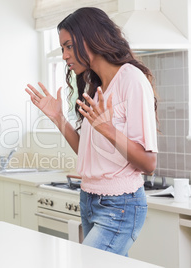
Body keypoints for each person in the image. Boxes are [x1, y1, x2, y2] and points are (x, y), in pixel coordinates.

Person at [25, 7, 158, 256]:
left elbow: (149, 163)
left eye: (68, 46)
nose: (64, 55)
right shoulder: (94, 85)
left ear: (88, 38)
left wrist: (108, 130)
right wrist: (58, 118)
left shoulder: (132, 80)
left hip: (120, 205)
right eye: (62, 48)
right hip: (89, 199)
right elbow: (87, 153)